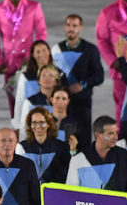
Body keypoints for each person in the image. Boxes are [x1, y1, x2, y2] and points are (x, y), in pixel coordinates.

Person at [0, 0, 47, 115]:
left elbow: (41, 34)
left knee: (33, 101)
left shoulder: (34, 7)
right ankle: (17, 135)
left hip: (29, 63)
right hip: (9, 65)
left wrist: (37, 57)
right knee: (14, 105)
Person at [51, 14, 105, 147]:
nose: (71, 29)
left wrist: (83, 84)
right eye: (68, 25)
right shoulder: (56, 50)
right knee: (62, 139)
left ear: (80, 28)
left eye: (74, 25)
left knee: (82, 140)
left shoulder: (90, 50)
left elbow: (99, 76)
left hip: (82, 104)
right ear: (64, 27)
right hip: (61, 104)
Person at [12, 40, 54, 133]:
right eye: (38, 52)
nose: (42, 54)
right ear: (33, 55)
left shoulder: (58, 73)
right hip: (30, 121)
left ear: (49, 52)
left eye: (44, 50)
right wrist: (17, 126)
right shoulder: (26, 76)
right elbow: (19, 101)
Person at [18, 64, 62, 139]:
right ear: (39, 80)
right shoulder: (30, 102)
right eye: (43, 75)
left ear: (56, 81)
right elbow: (23, 128)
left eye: (51, 76)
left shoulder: (62, 101)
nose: (46, 78)